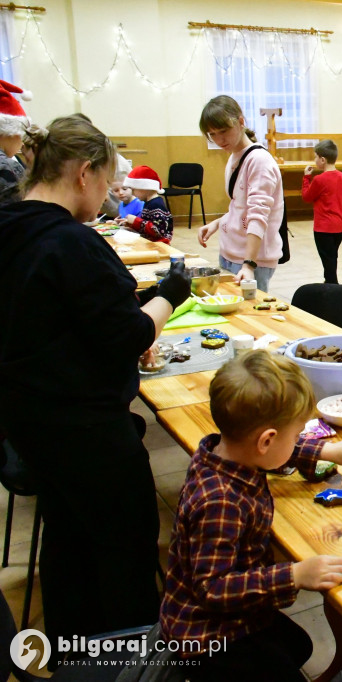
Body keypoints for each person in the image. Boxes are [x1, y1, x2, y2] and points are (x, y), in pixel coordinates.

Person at [0, 116, 191, 650]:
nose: (107, 194)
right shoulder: (69, 242)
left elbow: (57, 316)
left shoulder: (10, 225)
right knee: (123, 546)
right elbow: (127, 335)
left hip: (29, 421)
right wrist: (170, 294)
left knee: (68, 537)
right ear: (84, 173)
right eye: (106, 181)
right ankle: (129, 658)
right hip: (85, 430)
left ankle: (73, 650)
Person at [160, 351, 342, 680]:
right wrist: (295, 575)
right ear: (267, 440)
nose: (298, 441)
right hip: (208, 638)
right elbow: (213, 589)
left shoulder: (225, 451)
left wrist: (325, 450)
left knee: (297, 645)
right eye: (297, 435)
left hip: (230, 613)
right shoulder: (220, 502)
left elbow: (275, 451)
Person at [197, 95, 284, 294]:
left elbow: (258, 214)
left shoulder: (259, 160)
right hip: (231, 253)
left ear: (241, 122)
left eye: (223, 131)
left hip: (251, 260)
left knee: (250, 311)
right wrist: (218, 223)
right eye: (212, 134)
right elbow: (240, 206)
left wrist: (248, 264)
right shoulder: (235, 157)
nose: (219, 140)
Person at [301, 139, 342, 284]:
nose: (314, 160)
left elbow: (306, 197)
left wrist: (306, 178)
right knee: (331, 258)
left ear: (323, 159)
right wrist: (338, 208)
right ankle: (329, 283)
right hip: (339, 227)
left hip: (323, 228)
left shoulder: (319, 180)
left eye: (315, 157)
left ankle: (332, 287)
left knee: (328, 262)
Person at [118, 165, 173, 243]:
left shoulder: (156, 205)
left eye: (134, 190)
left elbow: (158, 231)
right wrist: (131, 224)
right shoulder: (148, 203)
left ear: (144, 188)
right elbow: (146, 227)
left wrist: (135, 221)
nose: (133, 193)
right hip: (151, 243)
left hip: (159, 246)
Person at [0, 79, 29, 207]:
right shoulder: (9, 167)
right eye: (22, 134)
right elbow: (21, 212)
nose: (22, 143)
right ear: (11, 132)